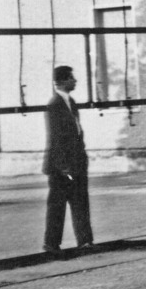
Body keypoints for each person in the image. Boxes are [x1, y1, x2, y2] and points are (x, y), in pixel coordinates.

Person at [43, 65, 93, 254]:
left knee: (81, 202)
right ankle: (51, 245)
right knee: (57, 206)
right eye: (71, 78)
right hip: (61, 167)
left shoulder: (70, 102)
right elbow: (56, 138)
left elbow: (76, 133)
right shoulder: (55, 105)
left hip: (76, 163)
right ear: (62, 81)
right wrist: (63, 167)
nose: (75, 81)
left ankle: (85, 241)